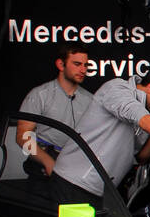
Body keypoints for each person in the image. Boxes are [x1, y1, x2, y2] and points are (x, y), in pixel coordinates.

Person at [50, 65, 150, 205]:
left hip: (102, 191)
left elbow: (141, 157)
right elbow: (144, 121)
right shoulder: (117, 89)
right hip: (74, 184)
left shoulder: (149, 113)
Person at [16, 45, 94, 180]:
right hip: (44, 166)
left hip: (76, 167)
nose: (83, 70)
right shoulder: (40, 95)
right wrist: (48, 162)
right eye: (77, 64)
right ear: (60, 64)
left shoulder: (90, 100)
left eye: (86, 65)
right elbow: (22, 136)